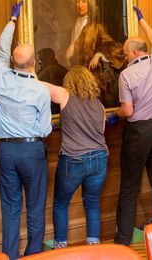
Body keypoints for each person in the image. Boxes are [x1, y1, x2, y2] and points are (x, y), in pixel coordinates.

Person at [110, 6, 152, 245]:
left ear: (135, 53)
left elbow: (127, 111)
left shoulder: (126, 76)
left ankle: (123, 241)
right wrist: (142, 20)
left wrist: (114, 114)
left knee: (129, 186)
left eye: (126, 53)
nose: (124, 57)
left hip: (139, 133)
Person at [0, 0, 52, 259]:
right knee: (36, 206)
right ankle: (34, 255)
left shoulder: (1, 77)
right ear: (34, 63)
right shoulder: (41, 89)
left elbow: (1, 51)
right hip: (32, 149)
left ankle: (10, 256)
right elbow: (46, 128)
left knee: (11, 208)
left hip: (6, 151)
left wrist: (12, 19)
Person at [41, 65, 108, 248]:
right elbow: (101, 130)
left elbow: (40, 86)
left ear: (70, 82)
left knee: (61, 203)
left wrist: (28, 71)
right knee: (92, 203)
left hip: (74, 159)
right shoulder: (99, 105)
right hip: (100, 158)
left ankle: (61, 247)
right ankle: (94, 246)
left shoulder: (65, 95)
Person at [65, 0, 125, 106]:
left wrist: (99, 54)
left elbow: (115, 46)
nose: (80, 5)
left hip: (92, 76)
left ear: (90, 3)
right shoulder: (73, 26)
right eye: (77, 1)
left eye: (83, 1)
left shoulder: (96, 26)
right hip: (75, 75)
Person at [36, 47, 68, 114]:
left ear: (46, 59)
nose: (39, 63)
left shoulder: (50, 70)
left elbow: (34, 83)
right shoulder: (62, 69)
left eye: (40, 60)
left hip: (53, 108)